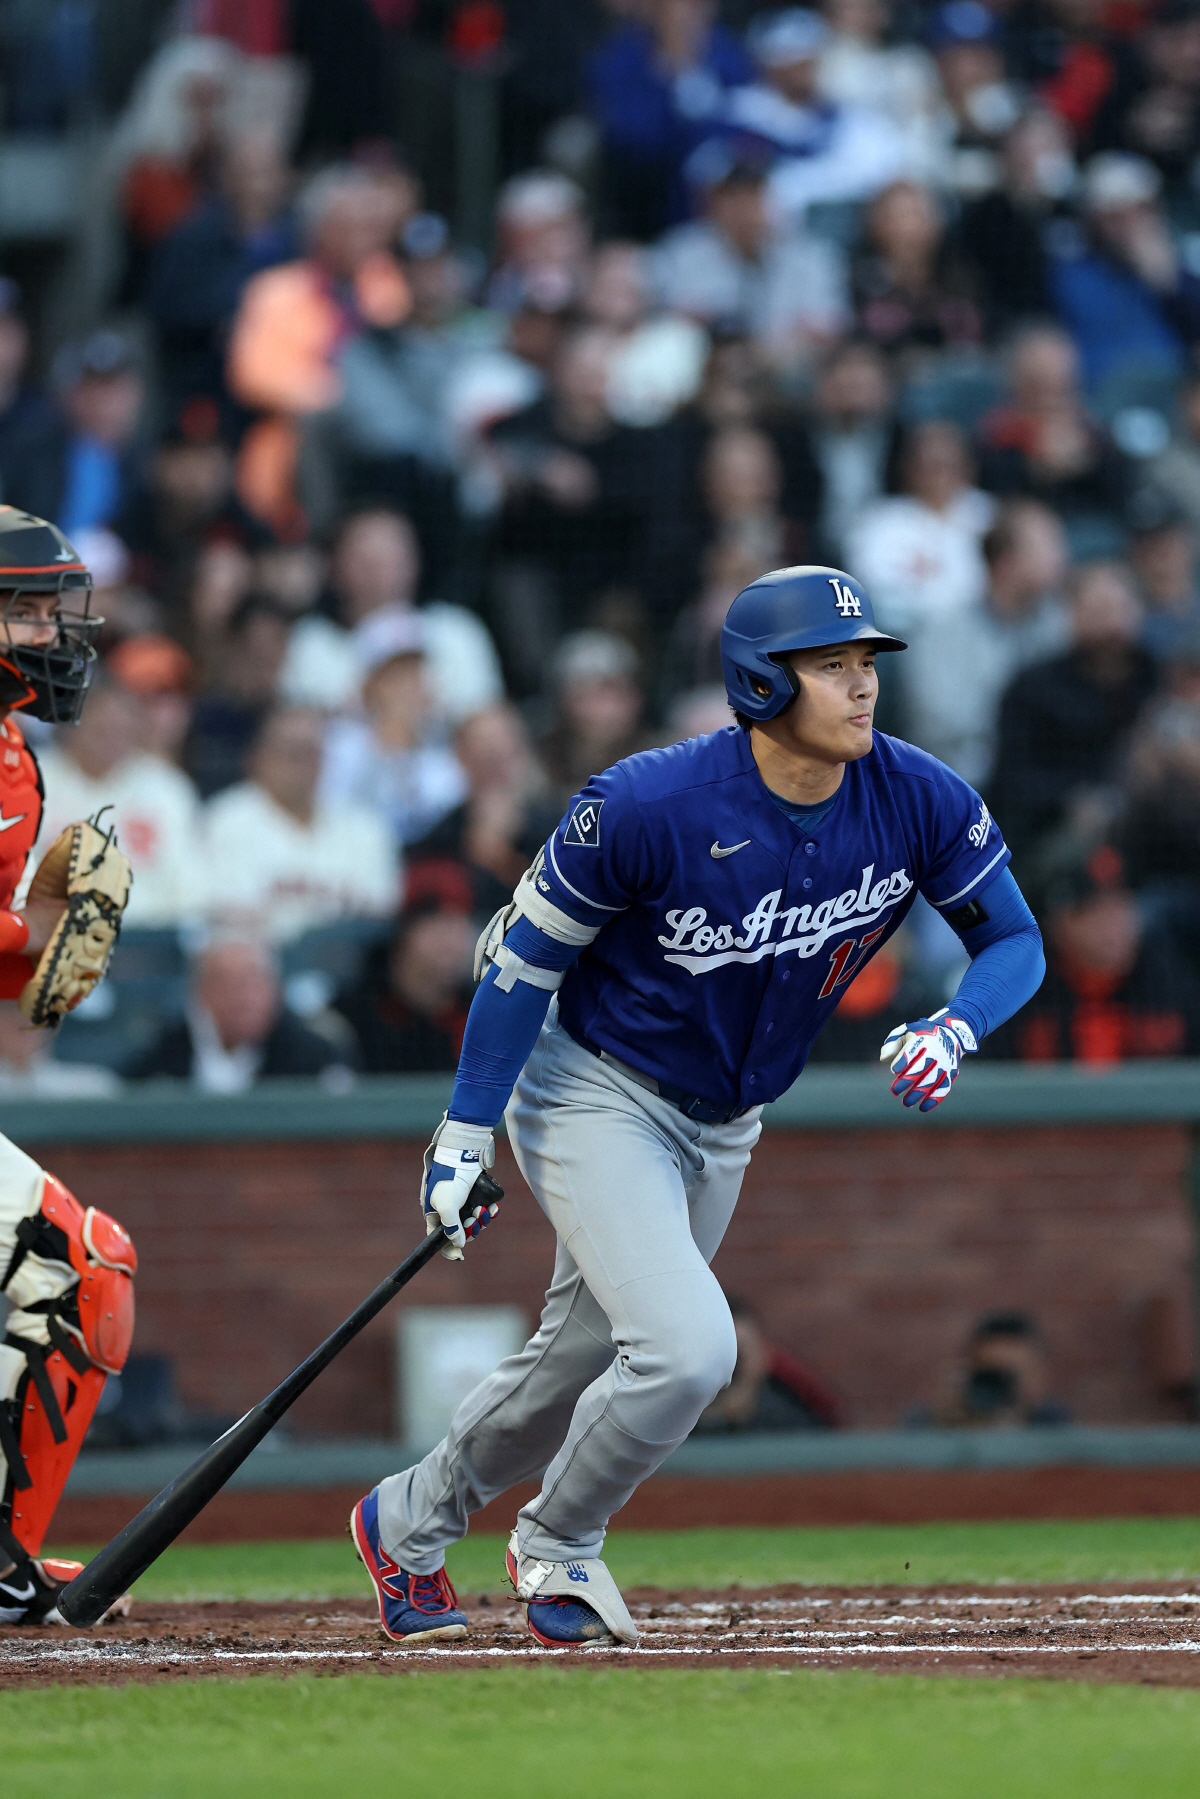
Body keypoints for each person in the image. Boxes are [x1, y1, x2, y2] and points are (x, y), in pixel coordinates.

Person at [348, 563, 1045, 1648]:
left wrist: (956, 1025)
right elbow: (522, 962)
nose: (862, 687)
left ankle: (404, 1520)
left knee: (572, 1365)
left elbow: (1013, 936)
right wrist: (464, 1127)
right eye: (831, 665)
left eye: (866, 663)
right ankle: (561, 1543)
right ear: (763, 683)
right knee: (686, 1349)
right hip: (595, 1087)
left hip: (727, 1118)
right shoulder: (647, 801)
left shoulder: (917, 794)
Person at [0, 508, 138, 1622]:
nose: (54, 631)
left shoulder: (17, 759)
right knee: (75, 1260)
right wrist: (31, 934)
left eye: (53, 607)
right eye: (29, 607)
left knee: (74, 1268)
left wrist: (39, 937)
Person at [990, 560, 1157, 858]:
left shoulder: (1156, 678)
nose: (1112, 624)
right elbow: (1012, 780)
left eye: (1121, 608)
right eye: (1099, 609)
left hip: (1148, 831)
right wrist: (1071, 800)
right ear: (1072, 614)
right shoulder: (1033, 686)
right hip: (1052, 834)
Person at [200, 706, 399, 944]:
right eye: (292, 753)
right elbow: (225, 914)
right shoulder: (226, 819)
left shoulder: (362, 824)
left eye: (312, 753)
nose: (304, 765)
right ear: (257, 757)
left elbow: (380, 912)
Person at [36, 671, 200, 929]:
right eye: (102, 729)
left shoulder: (166, 787)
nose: (112, 740)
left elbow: (190, 888)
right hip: (53, 939)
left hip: (146, 942)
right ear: (70, 726)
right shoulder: (35, 778)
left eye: (122, 730)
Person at [127, 932, 350, 1088]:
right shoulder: (164, 1057)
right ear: (200, 992)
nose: (242, 997)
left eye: (253, 982)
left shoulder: (313, 1058)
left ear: (275, 990)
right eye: (226, 983)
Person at [334, 868, 476, 1075]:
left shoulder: (480, 1011)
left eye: (459, 924)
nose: (452, 942)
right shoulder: (354, 1015)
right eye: (437, 925)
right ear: (405, 932)